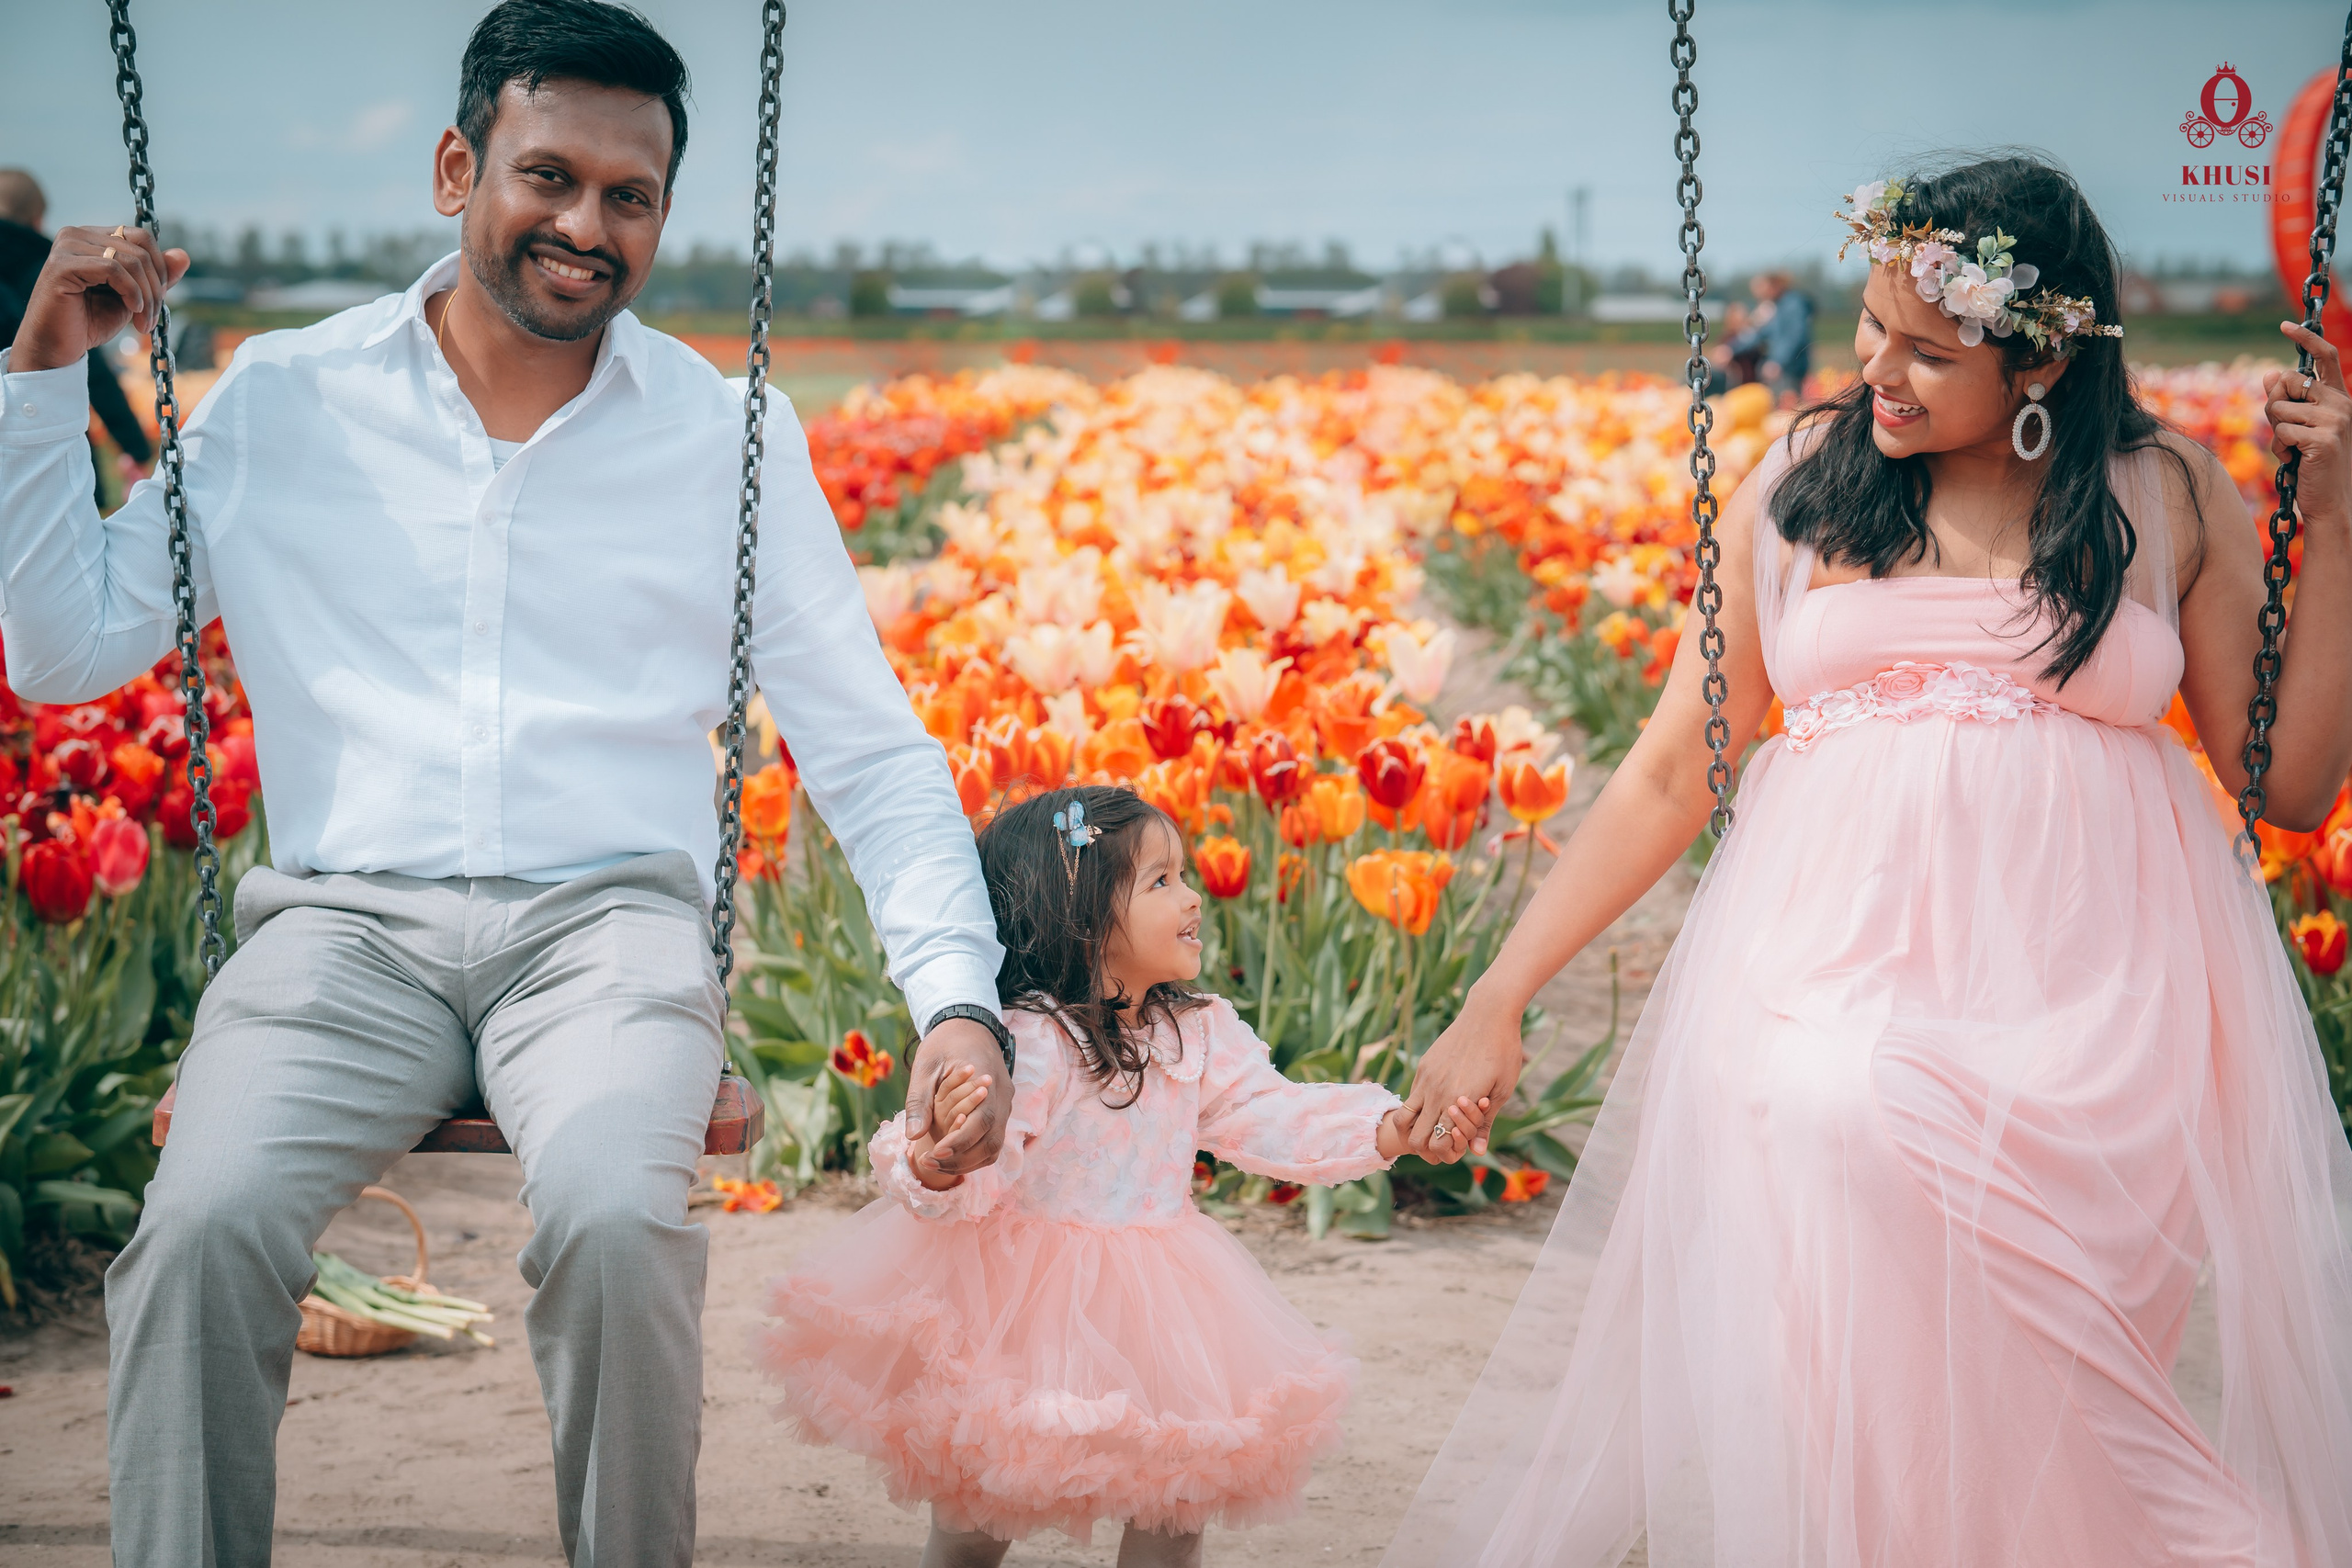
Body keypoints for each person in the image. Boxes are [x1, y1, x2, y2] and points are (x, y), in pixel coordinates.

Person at [0, 3, 1017, 1563]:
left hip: (605, 932)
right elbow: (68, 652)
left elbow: (872, 752)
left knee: (621, 1225)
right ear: (456, 167)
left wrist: (957, 997)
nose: (586, 226)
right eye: (549, 177)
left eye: (632, 197)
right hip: (337, 932)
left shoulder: (726, 437)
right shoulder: (286, 400)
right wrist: (40, 382)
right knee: (198, 1230)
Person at [1390, 155, 2352, 1565]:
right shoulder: (1803, 479)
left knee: (2005, 1422)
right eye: (1870, 328)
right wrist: (1499, 992)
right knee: (1827, 1115)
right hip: (1831, 976)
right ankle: (2215, 1536)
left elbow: (2294, 779)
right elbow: (1673, 764)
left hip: (2093, 1016)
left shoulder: (2168, 492)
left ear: (2042, 361)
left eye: (1930, 350)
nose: (1879, 373)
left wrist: (2328, 523)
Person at [755, 786, 1493, 1568]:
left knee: (1178, 1485)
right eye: (1161, 881)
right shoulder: (1030, 1041)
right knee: (981, 1505)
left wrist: (1389, 1129)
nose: (1193, 898)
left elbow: (1269, 1111)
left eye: (1184, 875)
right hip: (1022, 1305)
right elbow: (984, 1168)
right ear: (1079, 912)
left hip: (1165, 1306)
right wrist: (938, 1164)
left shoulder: (1196, 1028)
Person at [0, 168, 156, 508]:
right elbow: (94, 374)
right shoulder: (47, 276)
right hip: (50, 444)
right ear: (36, 219)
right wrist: (134, 444)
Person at [1721, 269, 1814, 407]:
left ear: (1773, 286)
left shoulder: (1793, 306)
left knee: (1789, 406)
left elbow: (1794, 337)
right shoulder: (1776, 307)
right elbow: (1758, 334)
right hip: (1780, 368)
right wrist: (1731, 349)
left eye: (1761, 289)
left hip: (1790, 368)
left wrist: (1778, 362)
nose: (1759, 294)